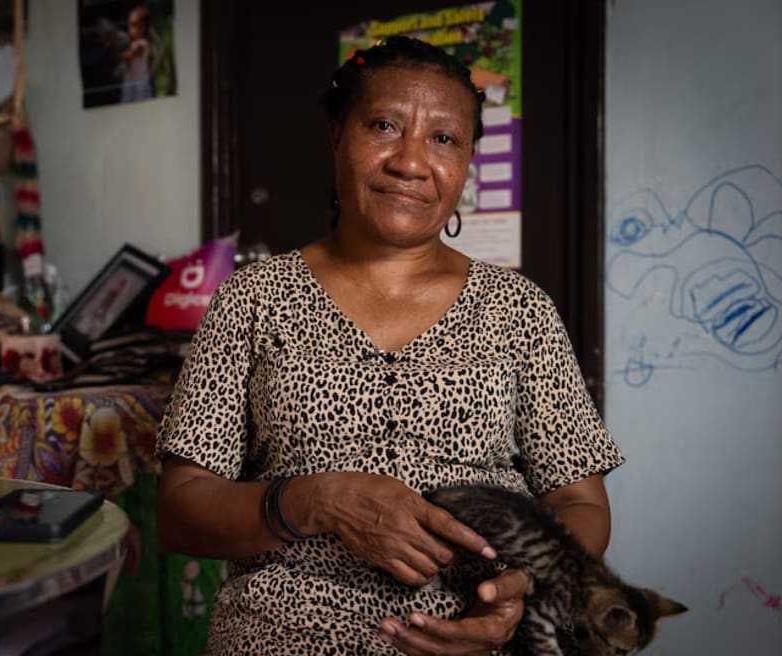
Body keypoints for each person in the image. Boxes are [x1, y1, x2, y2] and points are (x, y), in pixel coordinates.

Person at [156, 36, 624, 656]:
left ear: (466, 162)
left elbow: (580, 501)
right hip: (280, 637)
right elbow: (180, 511)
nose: (410, 162)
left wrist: (529, 586)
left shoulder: (519, 309)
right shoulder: (254, 298)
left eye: (444, 138)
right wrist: (316, 499)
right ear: (337, 135)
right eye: (383, 126)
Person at [119, 4, 153, 103]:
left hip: (140, 85)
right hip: (130, 83)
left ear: (143, 27)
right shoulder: (131, 44)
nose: (133, 29)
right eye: (131, 25)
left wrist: (117, 53)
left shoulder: (143, 44)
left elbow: (130, 55)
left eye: (136, 25)